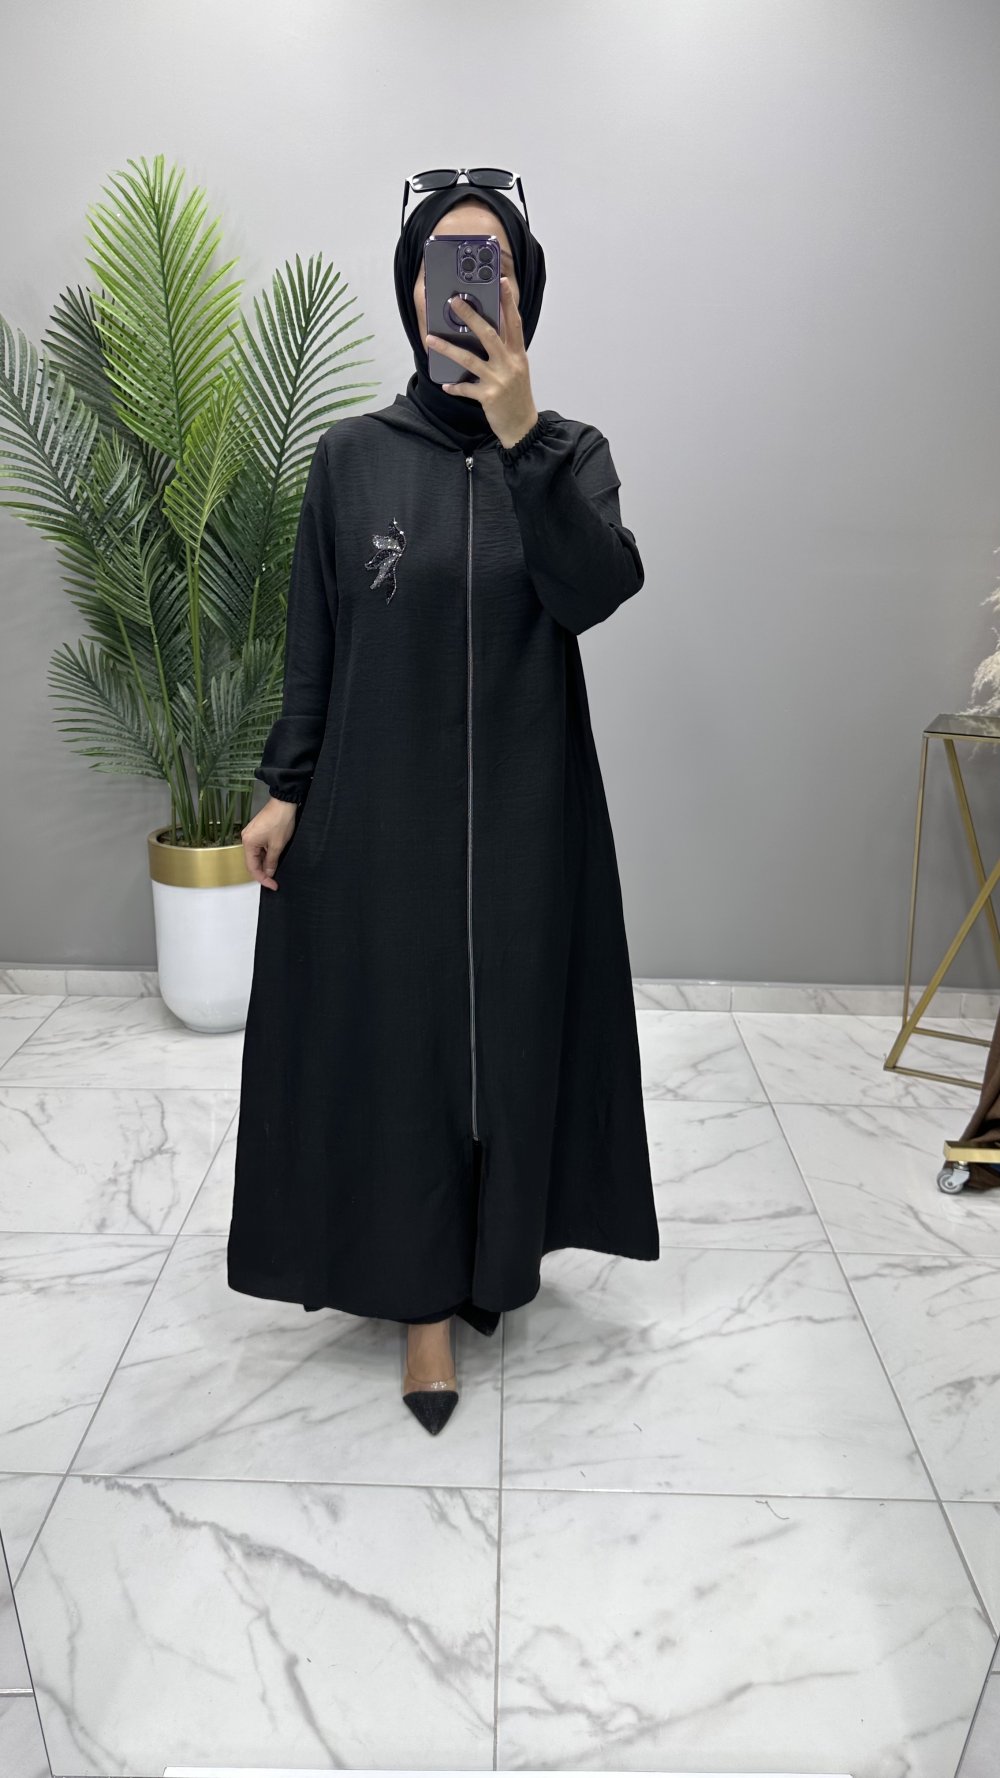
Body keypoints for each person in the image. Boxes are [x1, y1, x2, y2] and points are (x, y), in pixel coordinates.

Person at [228, 170, 660, 1435]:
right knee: (403, 1044)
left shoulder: (571, 452)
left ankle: (494, 1255)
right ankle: (422, 1304)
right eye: (447, 261)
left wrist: (522, 439)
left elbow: (594, 591)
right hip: (383, 811)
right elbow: (316, 634)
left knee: (512, 1035)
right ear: (412, 289)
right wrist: (285, 785)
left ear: (525, 290)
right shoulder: (352, 456)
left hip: (529, 812)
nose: (473, 283)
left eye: (495, 263)